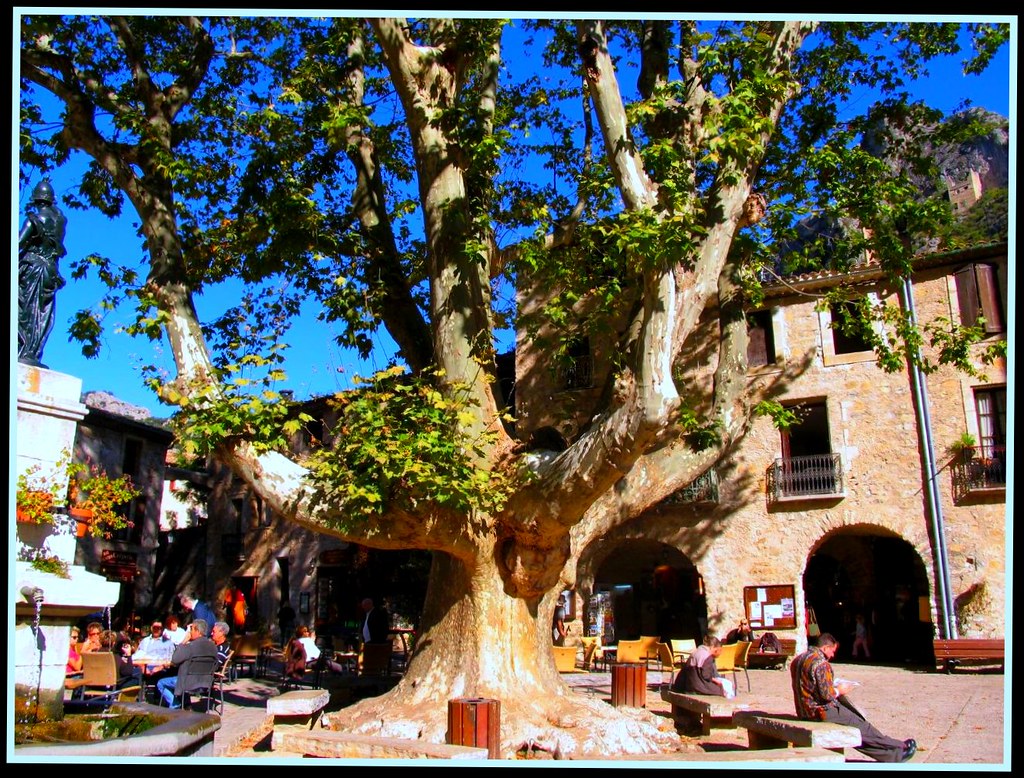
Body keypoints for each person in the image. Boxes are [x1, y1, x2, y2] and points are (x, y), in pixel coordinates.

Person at [791, 632, 916, 762]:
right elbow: (826, 695)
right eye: (832, 651)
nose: (832, 655)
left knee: (856, 733)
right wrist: (840, 690)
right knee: (861, 726)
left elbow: (809, 686)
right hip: (821, 712)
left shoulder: (798, 660)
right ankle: (900, 746)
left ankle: (892, 756)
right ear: (825, 648)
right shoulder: (821, 664)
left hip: (804, 711)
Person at [18, 178, 67, 367]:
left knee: (26, 312)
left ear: (36, 200)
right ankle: (33, 352)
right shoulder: (60, 222)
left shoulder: (34, 220)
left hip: (32, 269)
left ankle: (24, 351)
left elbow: (19, 244)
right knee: (43, 314)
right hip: (50, 271)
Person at [156, 619, 219, 709]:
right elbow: (215, 665)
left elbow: (174, 660)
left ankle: (174, 704)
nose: (189, 632)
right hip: (206, 683)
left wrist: (184, 641)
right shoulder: (213, 647)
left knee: (161, 683)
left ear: (197, 631)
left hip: (186, 683)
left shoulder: (190, 647)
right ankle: (184, 704)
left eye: (191, 629)